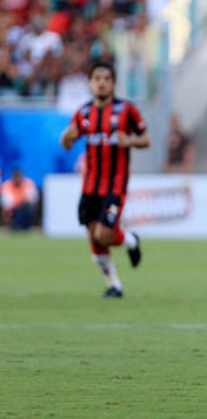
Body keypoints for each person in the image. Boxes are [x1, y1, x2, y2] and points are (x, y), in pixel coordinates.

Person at [60, 61, 149, 298]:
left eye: (106, 78)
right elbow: (68, 143)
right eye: (97, 78)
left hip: (115, 185)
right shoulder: (84, 113)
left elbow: (146, 139)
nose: (101, 83)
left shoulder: (126, 110)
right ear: (90, 83)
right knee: (93, 236)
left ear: (114, 83)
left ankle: (130, 240)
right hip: (89, 186)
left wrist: (130, 141)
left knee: (104, 235)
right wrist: (66, 138)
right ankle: (114, 285)